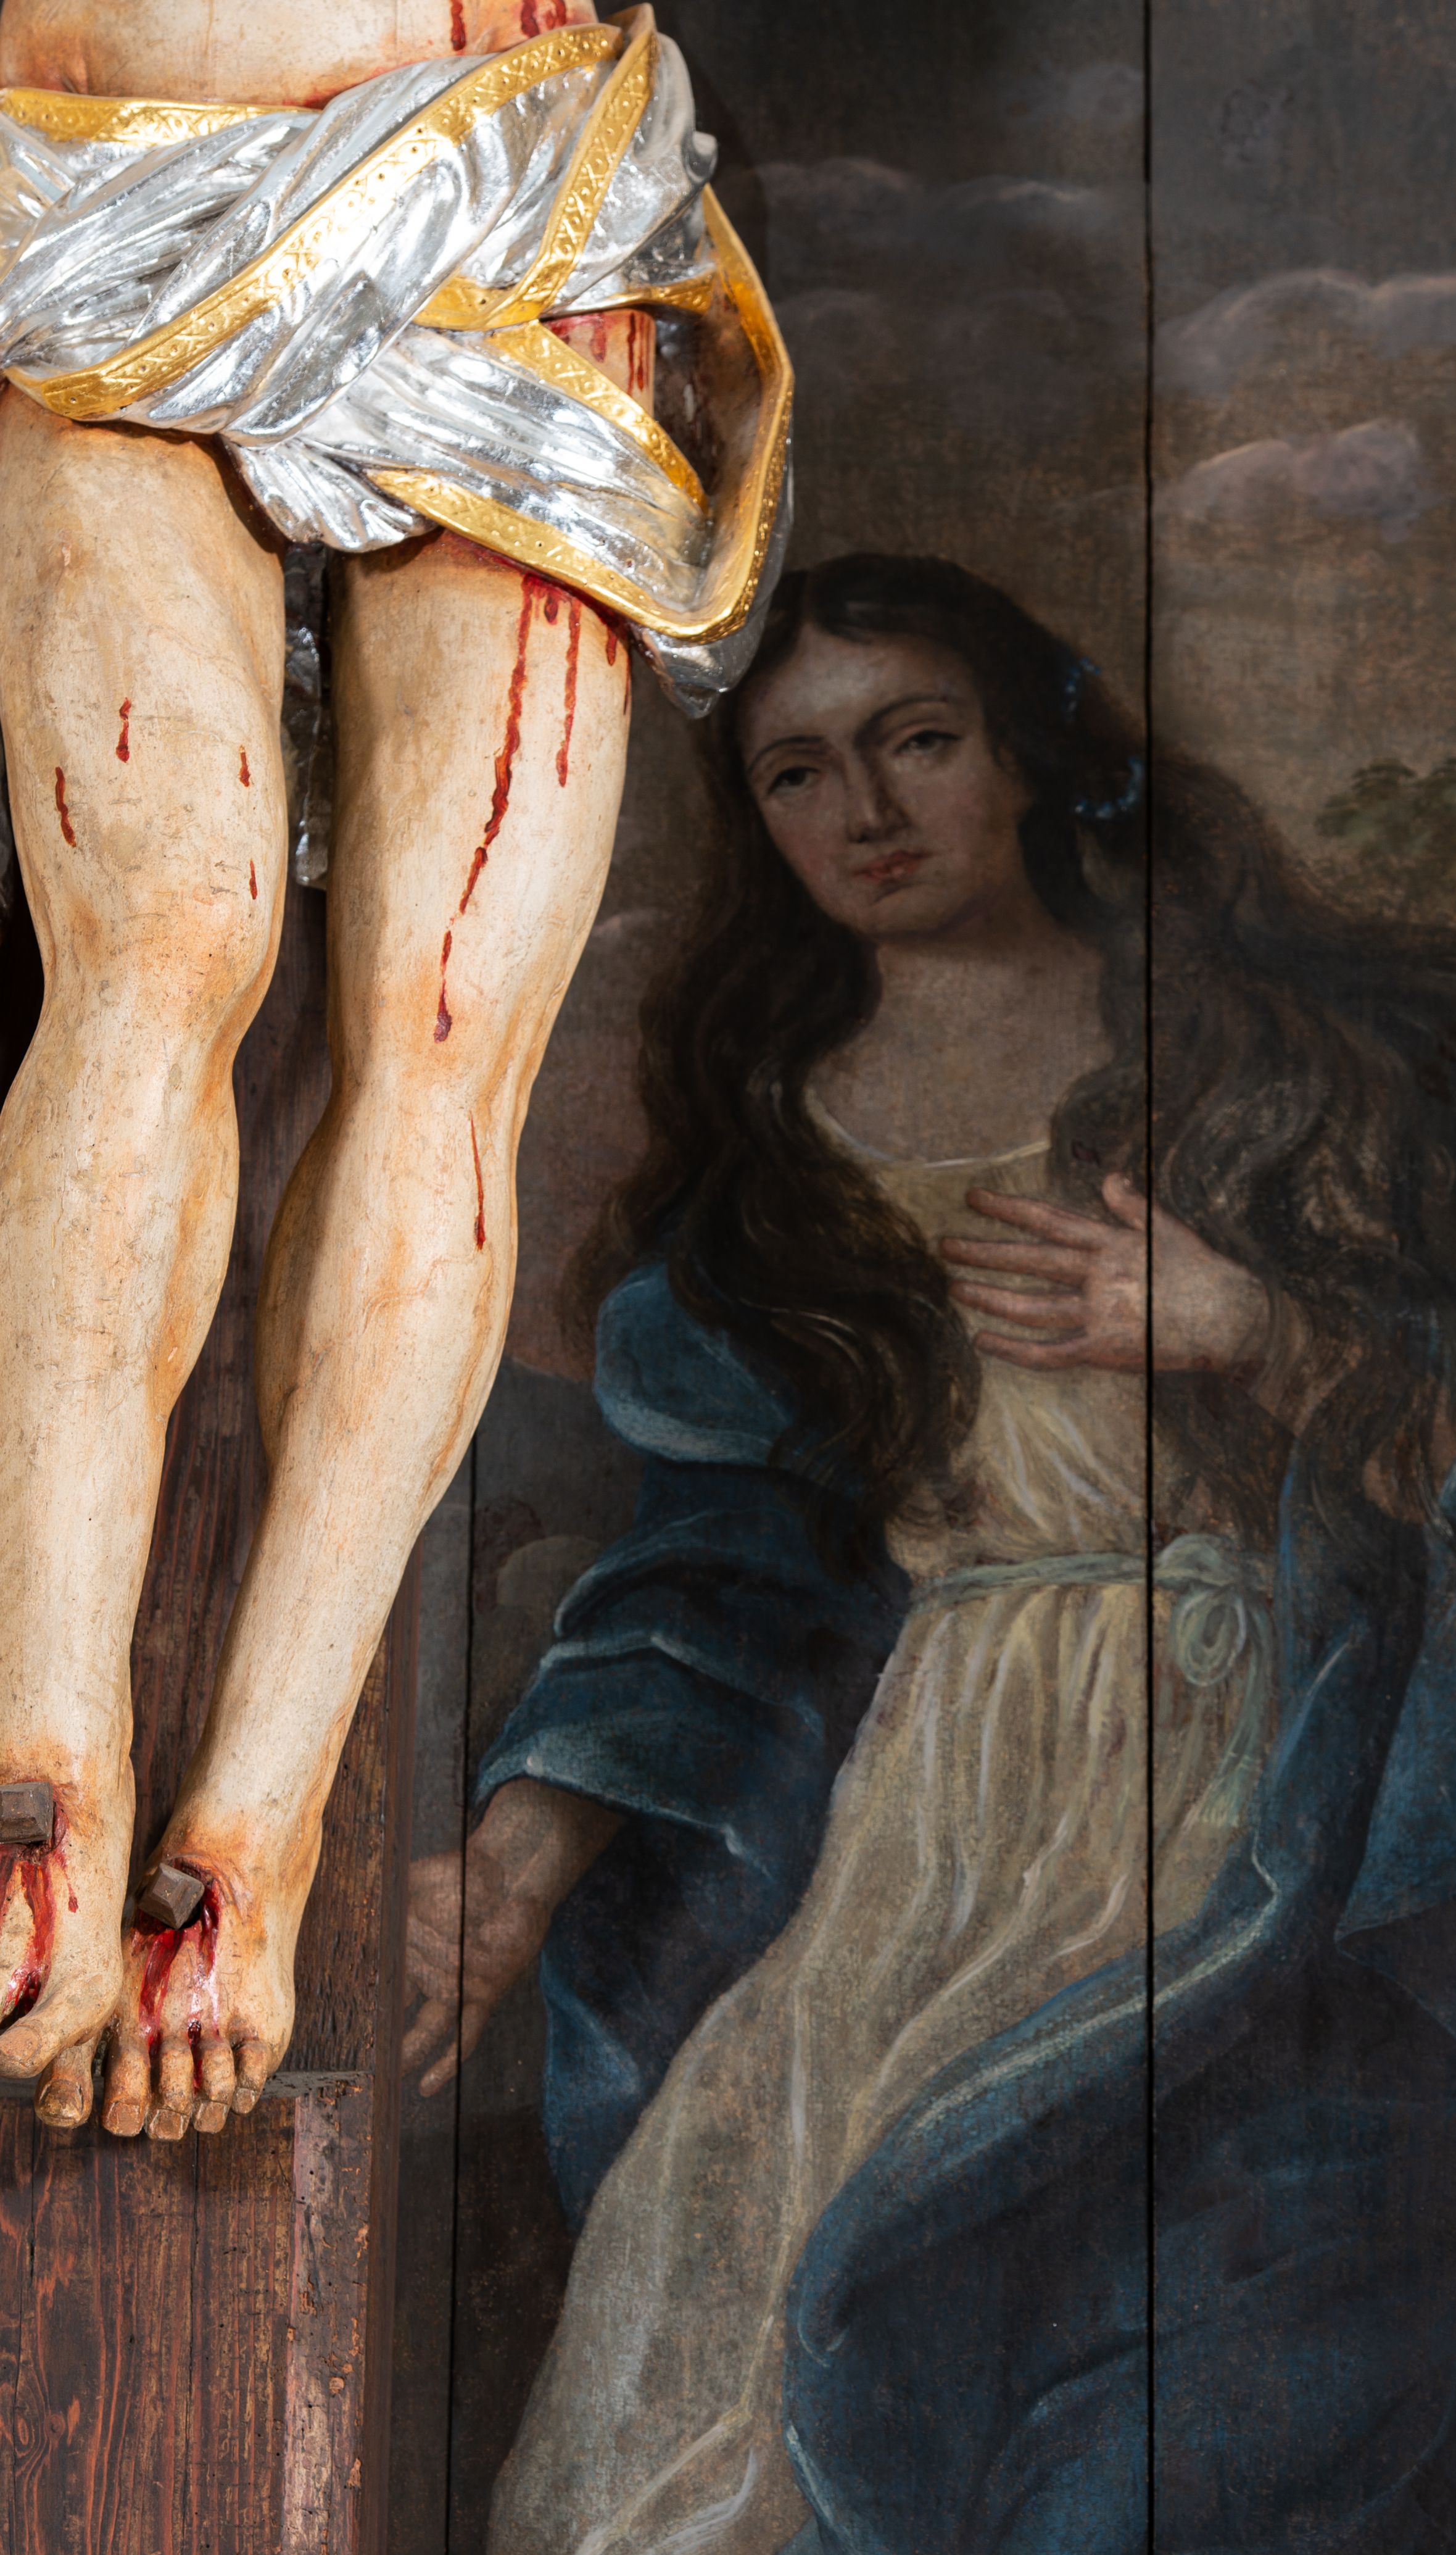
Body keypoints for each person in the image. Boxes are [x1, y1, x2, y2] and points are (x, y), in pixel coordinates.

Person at [399, 555, 1456, 2555]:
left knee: (1122, 2290)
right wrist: (518, 1863)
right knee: (742, 2265)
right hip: (945, 1811)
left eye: (917, 736)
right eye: (798, 768)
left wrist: (1251, 1319)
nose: (865, 807)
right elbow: (709, 1580)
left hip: (1267, 1774)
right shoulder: (778, 1160)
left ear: (1030, 743)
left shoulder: (1281, 1057)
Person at [0, 0, 788, 2138]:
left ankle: (251, 1823)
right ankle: (44, 1755)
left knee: (448, 1025)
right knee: (165, 927)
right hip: (114, 170)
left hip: (522, 200)